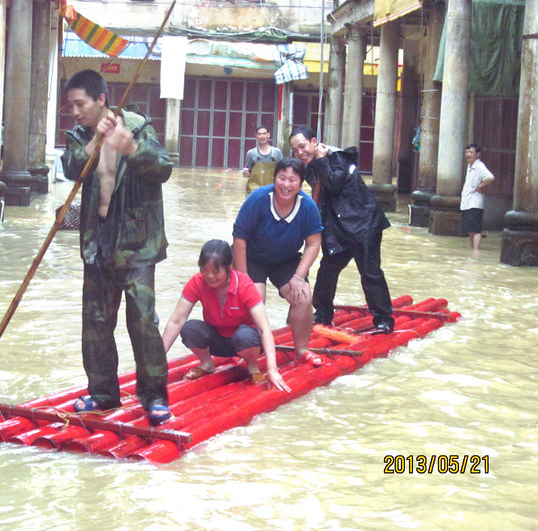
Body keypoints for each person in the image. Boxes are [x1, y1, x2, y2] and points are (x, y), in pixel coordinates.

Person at [60, 69, 173, 426]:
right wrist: (95, 143)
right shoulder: (80, 135)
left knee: (142, 323)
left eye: (81, 104)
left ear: (101, 101)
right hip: (98, 242)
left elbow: (164, 169)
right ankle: (103, 394)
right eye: (71, 105)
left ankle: (154, 398)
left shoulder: (138, 128)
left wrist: (132, 150)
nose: (75, 112)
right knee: (95, 323)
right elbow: (71, 169)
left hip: (137, 243)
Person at [289, 125, 394, 334]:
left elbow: (334, 184)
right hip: (339, 230)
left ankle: (383, 320)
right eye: (295, 150)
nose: (300, 152)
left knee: (370, 273)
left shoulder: (337, 157)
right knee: (328, 270)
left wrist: (320, 159)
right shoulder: (310, 166)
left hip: (364, 225)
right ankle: (322, 315)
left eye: (302, 146)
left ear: (313, 141)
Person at [162, 240, 291, 392]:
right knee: (190, 329)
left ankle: (252, 366)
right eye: (204, 270)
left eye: (216, 271)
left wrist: (272, 370)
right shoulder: (197, 282)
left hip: (246, 342)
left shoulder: (244, 285)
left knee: (245, 335)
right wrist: (157, 361)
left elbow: (264, 330)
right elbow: (176, 321)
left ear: (229, 267)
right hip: (217, 339)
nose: (209, 276)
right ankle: (206, 363)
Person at [233, 157, 324, 366]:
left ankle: (301, 349)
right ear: (274, 179)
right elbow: (239, 238)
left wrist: (299, 277)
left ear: (301, 184)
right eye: (282, 178)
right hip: (252, 256)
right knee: (254, 297)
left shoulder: (307, 206)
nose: (286, 185)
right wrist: (243, 277)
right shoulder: (258, 199)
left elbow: (313, 244)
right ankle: (249, 350)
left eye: (293, 180)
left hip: (286, 258)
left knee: (302, 297)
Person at [460, 143, 495, 250]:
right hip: (467, 202)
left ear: (477, 154)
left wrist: (481, 186)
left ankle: (476, 252)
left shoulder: (479, 166)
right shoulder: (470, 166)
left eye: (471, 152)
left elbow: (490, 177)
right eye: (467, 152)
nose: (468, 154)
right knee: (471, 230)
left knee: (476, 230)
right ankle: (473, 251)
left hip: (475, 203)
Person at [242, 126, 284, 194]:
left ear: (268, 135)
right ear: (256, 136)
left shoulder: (277, 152)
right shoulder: (251, 153)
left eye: (264, 133)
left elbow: (283, 171)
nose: (262, 136)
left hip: (273, 189)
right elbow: (248, 173)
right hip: (256, 190)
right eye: (259, 134)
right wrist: (245, 174)